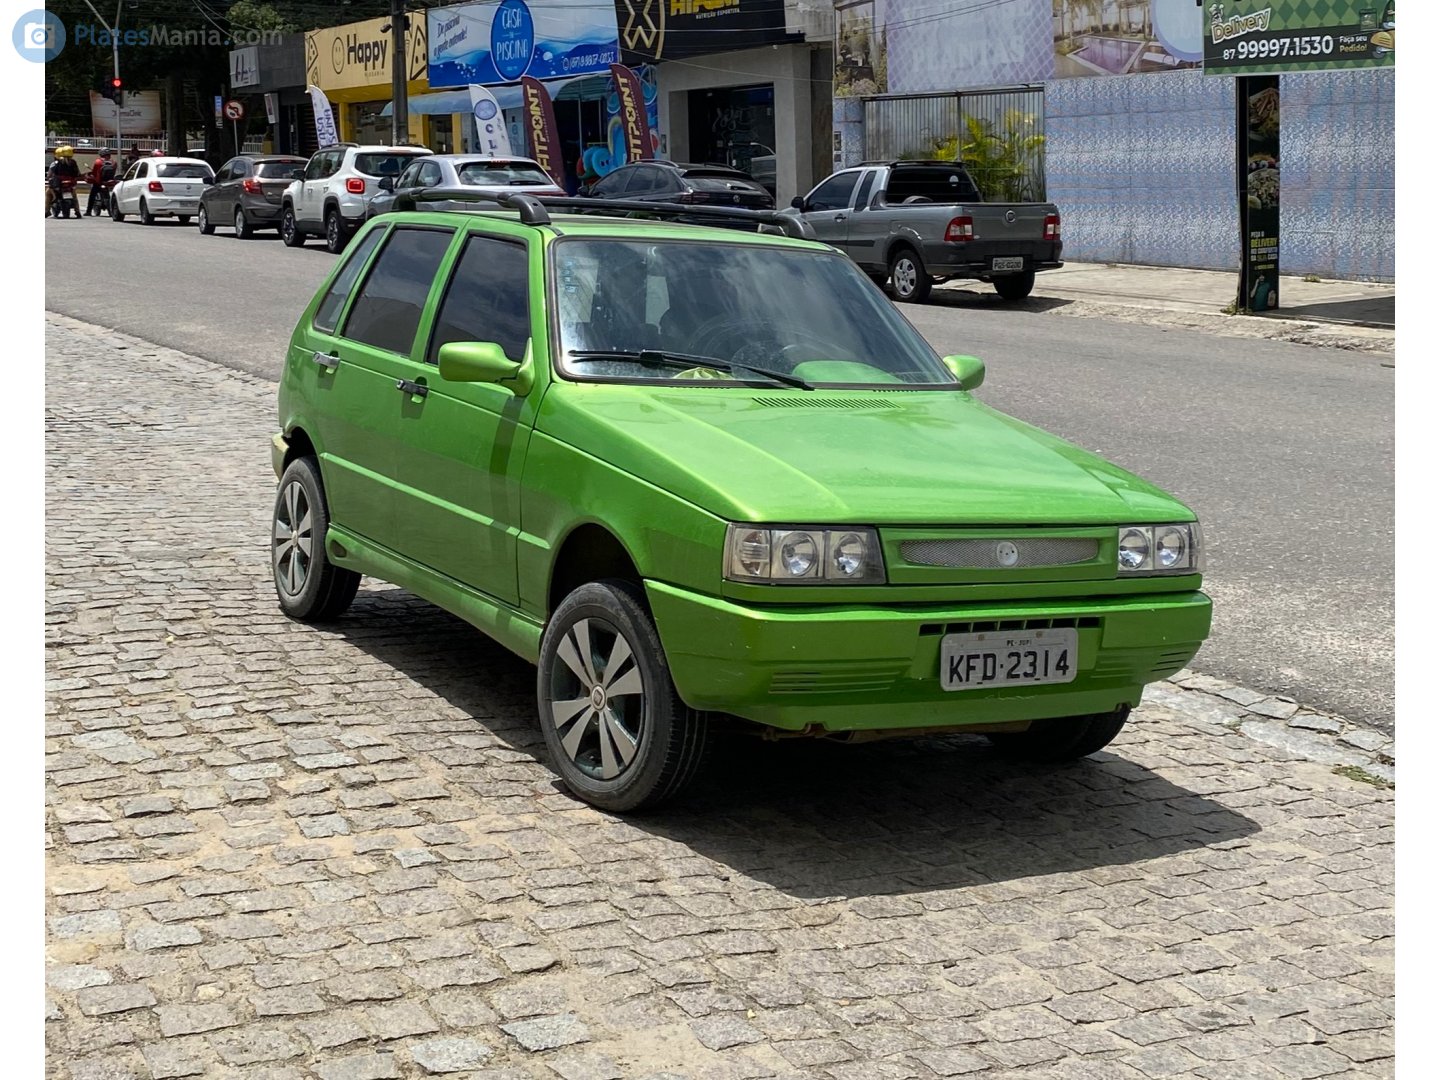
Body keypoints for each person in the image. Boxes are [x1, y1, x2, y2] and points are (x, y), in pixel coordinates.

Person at [47, 145, 81, 218]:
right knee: (74, 197)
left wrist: (50, 179)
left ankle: (47, 211)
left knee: (48, 193)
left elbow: (52, 174)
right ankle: (77, 211)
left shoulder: (57, 162)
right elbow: (77, 173)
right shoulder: (73, 162)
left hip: (59, 184)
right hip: (70, 184)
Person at [85, 149, 116, 216]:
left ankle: (88, 211)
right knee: (107, 196)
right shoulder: (113, 162)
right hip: (107, 183)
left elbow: (94, 172)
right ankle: (110, 212)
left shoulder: (98, 162)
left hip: (98, 182)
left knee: (92, 196)